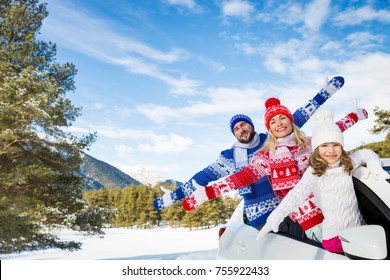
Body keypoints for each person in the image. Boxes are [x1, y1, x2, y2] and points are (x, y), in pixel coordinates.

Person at [154, 76, 347, 230]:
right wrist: (175, 196)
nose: (241, 129)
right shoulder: (230, 158)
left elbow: (302, 113)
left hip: (292, 203)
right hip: (260, 214)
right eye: (236, 128)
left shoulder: (274, 137)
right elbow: (201, 179)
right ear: (234, 134)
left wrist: (325, 93)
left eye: (244, 124)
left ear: (252, 125)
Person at [182, 97, 368, 241]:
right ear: (269, 129)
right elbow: (240, 178)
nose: (279, 123)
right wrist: (206, 193)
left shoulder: (309, 144)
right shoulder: (266, 157)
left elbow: (333, 131)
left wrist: (355, 116)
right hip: (313, 220)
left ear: (290, 121)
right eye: (273, 122)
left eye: (282, 118)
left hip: (342, 208)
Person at [255, 108, 389, 253]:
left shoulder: (348, 163)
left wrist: (376, 168)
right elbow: (295, 195)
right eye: (324, 145)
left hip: (361, 229)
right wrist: (273, 219)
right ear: (316, 148)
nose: (330, 150)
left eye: (335, 145)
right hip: (336, 239)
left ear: (341, 146)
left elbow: (366, 153)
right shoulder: (314, 172)